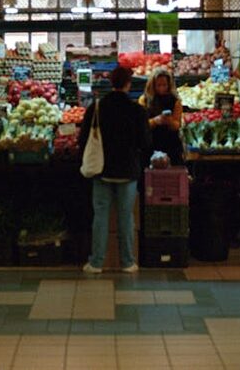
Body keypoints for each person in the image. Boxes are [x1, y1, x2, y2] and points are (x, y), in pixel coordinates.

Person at [79, 66, 151, 274]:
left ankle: (96, 263)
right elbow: (146, 142)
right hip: (128, 171)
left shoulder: (97, 107)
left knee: (100, 216)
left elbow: (83, 137)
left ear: (111, 82)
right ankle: (127, 262)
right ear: (129, 84)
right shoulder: (137, 110)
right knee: (126, 217)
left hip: (101, 169)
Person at [138, 67, 184, 165]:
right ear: (152, 85)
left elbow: (177, 125)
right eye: (158, 85)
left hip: (170, 144)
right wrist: (155, 121)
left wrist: (169, 121)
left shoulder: (175, 101)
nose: (162, 88)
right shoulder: (144, 100)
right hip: (150, 144)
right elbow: (141, 124)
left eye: (164, 85)